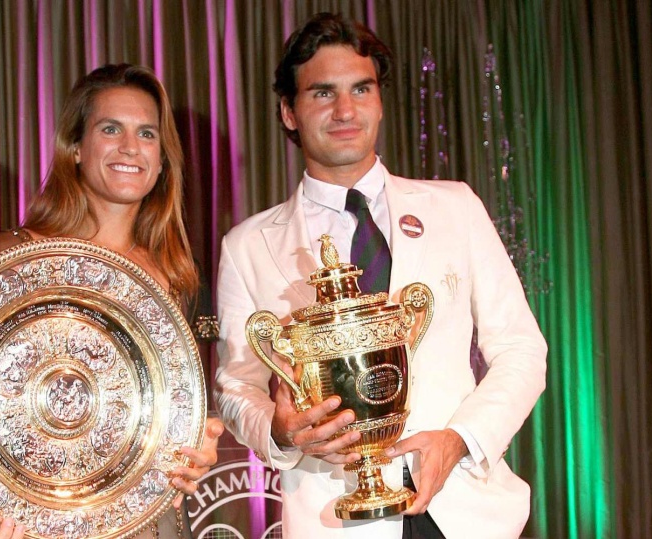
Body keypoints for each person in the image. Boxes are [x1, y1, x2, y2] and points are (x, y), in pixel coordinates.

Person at [214, 13, 547, 539]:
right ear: (290, 112)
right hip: (335, 518)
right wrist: (280, 429)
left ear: (379, 100)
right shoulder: (247, 246)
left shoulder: (454, 207)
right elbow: (237, 388)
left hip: (464, 510)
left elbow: (523, 350)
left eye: (361, 89)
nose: (345, 110)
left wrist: (459, 439)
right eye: (323, 93)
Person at [0, 63, 224, 539]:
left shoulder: (179, 279)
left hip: (152, 523)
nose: (130, 147)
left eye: (147, 133)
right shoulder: (7, 259)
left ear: (162, 159)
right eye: (111, 129)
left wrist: (198, 448)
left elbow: (191, 412)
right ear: (76, 148)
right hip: (34, 525)